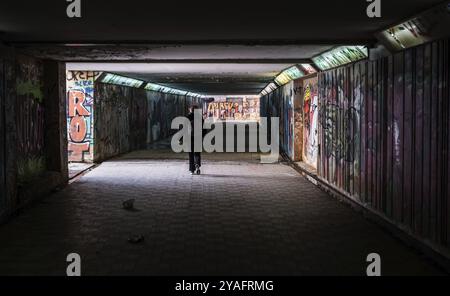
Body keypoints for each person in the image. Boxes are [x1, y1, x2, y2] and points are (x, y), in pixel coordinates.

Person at [187, 104, 203, 175]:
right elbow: (204, 128)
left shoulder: (188, 117)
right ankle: (197, 165)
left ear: (191, 110)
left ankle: (192, 170)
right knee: (197, 153)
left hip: (190, 137)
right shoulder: (200, 117)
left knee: (191, 154)